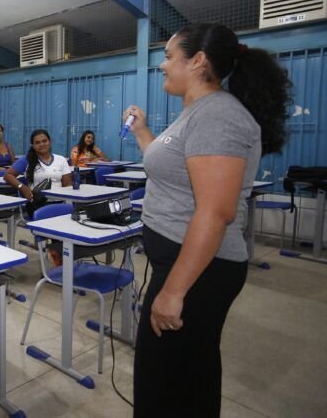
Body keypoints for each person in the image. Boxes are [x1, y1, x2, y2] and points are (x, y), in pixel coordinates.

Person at [126, 23, 289, 417]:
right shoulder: (197, 112)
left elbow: (216, 212)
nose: (162, 65)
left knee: (167, 382)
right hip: (186, 264)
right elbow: (171, 168)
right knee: (183, 375)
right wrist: (143, 130)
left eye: (168, 56)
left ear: (198, 61)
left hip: (199, 270)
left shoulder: (218, 115)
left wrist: (174, 292)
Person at [4, 129, 72, 204]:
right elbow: (7, 175)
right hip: (37, 203)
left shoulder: (61, 159)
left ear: (50, 142)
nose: (41, 144)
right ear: (32, 145)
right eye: (37, 143)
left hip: (60, 202)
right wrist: (22, 187)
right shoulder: (27, 160)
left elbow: (67, 185)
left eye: (44, 141)